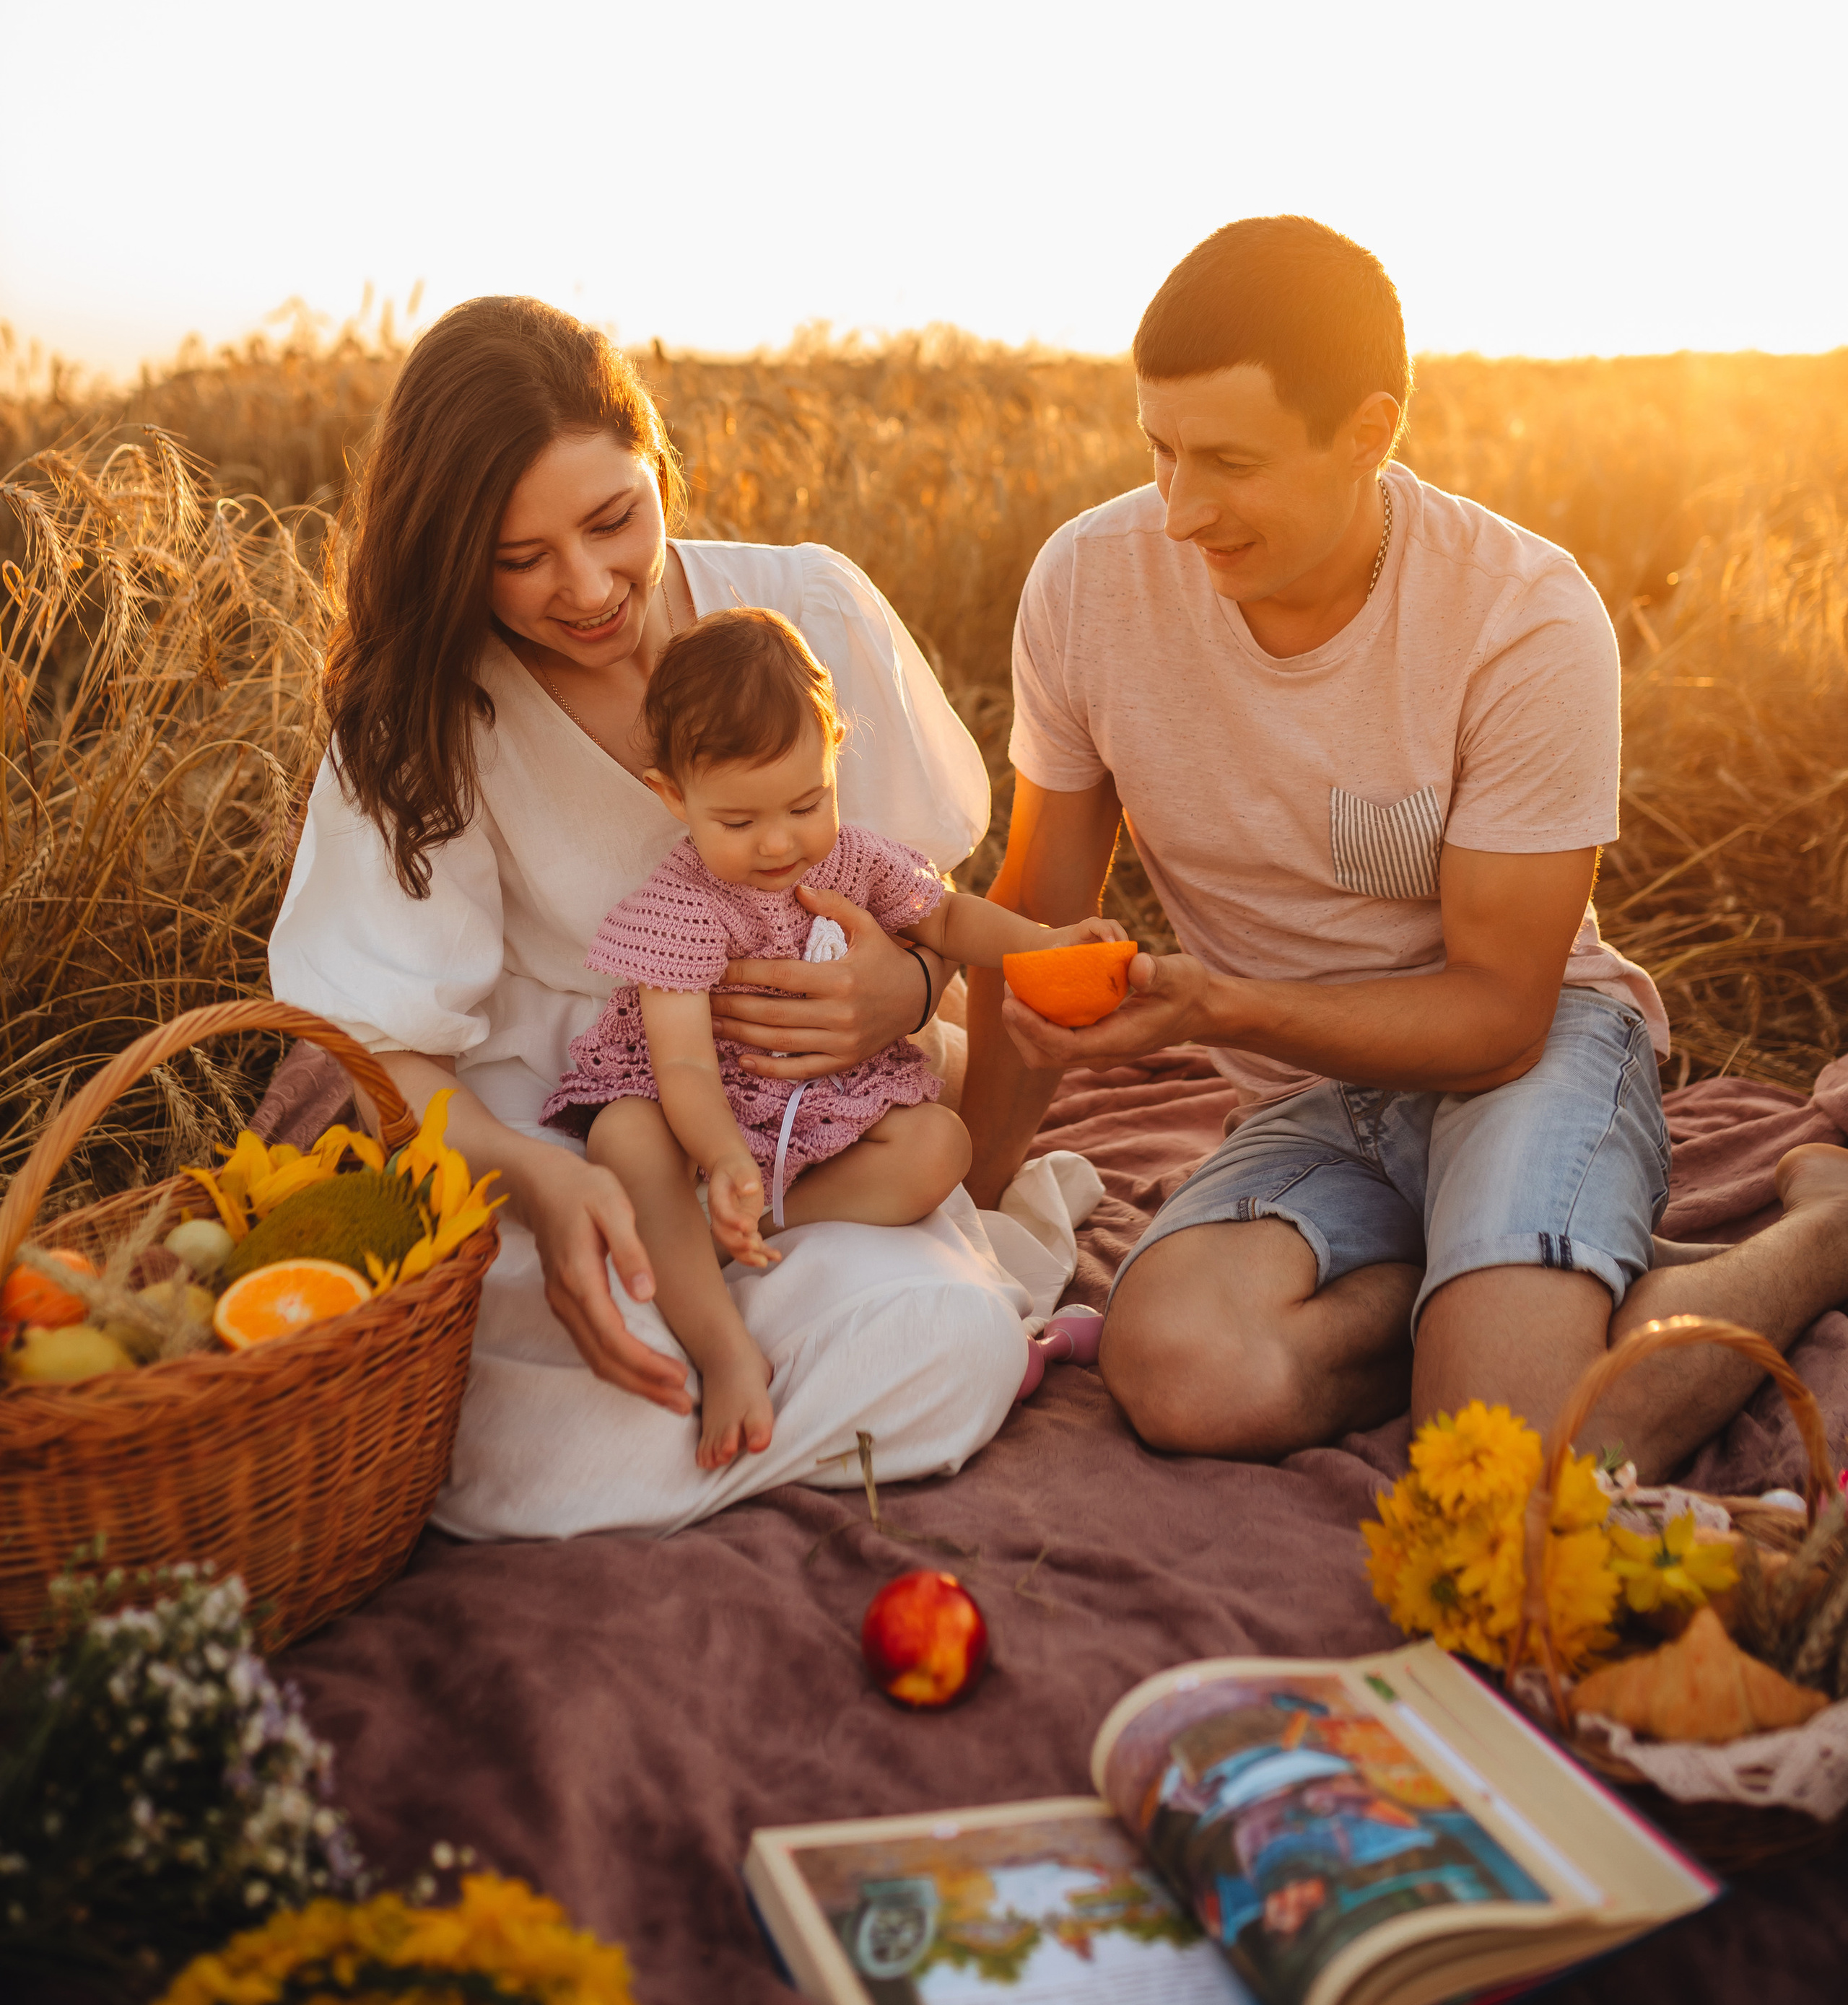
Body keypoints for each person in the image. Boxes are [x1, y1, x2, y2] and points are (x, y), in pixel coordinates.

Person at [961, 215, 1848, 1480]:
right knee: (1179, 1370)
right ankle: (1492, 1300)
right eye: (1158, 450)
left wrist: (1217, 1004)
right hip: (1306, 1098)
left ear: (1369, 434)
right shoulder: (1086, 587)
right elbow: (1036, 911)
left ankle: (1822, 1229)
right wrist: (972, 1201)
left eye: (1227, 460)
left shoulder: (1521, 619)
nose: (1179, 511)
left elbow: (1498, 1014)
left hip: (1523, 1058)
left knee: (1515, 1449)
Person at [269, 296, 1081, 1540]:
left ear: (657, 462)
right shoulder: (423, 719)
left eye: (613, 520)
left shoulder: (806, 612)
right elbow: (376, 1052)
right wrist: (539, 1174)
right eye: (518, 558)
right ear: (448, 557)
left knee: (949, 1344)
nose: (589, 588)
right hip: (573, 1136)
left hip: (816, 1132)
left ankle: (727, 1423)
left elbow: (925, 903)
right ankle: (732, 1417)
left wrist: (907, 996)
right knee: (479, 1435)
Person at [546, 606, 1120, 1467]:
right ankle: (722, 1347)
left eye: (805, 803)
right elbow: (684, 1066)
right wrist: (723, 1155)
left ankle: (733, 1223)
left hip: (814, 1112)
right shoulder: (681, 909)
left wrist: (1044, 944)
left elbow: (951, 918)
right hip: (695, 1111)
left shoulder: (854, 860)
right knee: (627, 1137)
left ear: (833, 758)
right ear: (674, 797)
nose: (779, 842)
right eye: (738, 823)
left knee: (939, 1144)